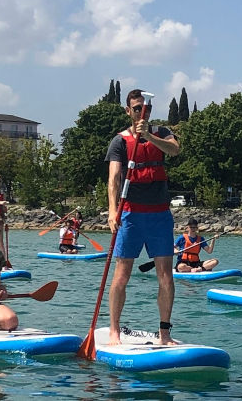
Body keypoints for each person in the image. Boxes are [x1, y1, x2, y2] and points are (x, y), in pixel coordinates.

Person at [105, 89, 180, 345]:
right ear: (128, 111)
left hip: (159, 215)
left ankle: (165, 333)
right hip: (131, 215)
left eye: (144, 108)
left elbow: (174, 151)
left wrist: (148, 135)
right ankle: (114, 331)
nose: (141, 112)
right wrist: (113, 210)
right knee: (122, 275)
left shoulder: (162, 132)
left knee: (165, 275)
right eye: (136, 108)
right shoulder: (119, 142)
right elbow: (114, 178)